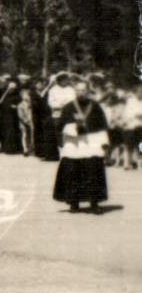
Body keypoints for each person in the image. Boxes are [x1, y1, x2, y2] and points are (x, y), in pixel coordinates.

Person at [53, 78, 109, 212]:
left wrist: (104, 143)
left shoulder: (95, 106)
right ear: (75, 91)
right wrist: (69, 129)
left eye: (83, 90)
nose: (80, 93)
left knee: (93, 173)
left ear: (88, 91)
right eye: (78, 90)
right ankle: (73, 203)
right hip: (74, 145)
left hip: (91, 143)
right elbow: (59, 126)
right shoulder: (68, 107)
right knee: (72, 173)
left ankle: (94, 203)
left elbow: (103, 125)